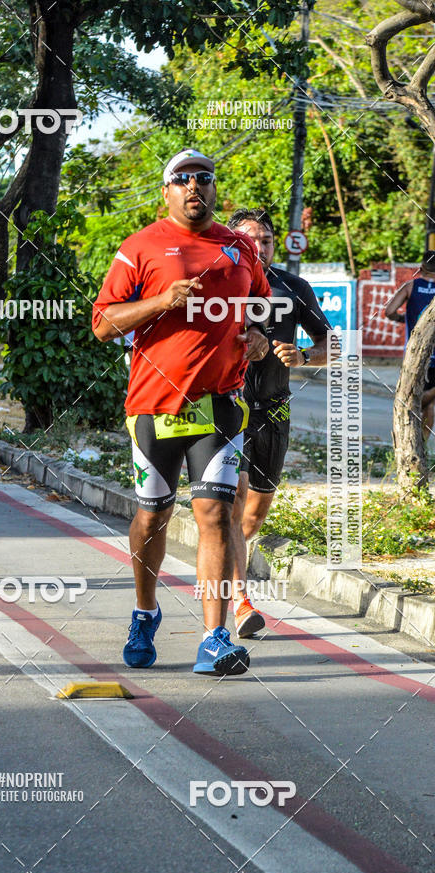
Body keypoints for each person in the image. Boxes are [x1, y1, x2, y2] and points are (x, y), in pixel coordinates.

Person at [93, 149, 270, 675]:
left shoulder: (240, 248)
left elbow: (260, 307)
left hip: (219, 405)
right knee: (153, 516)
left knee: (215, 513)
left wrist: (259, 338)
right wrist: (162, 301)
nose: (196, 187)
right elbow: (103, 324)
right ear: (166, 191)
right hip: (154, 406)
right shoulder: (140, 247)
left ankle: (214, 638)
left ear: (215, 190)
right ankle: (145, 611)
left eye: (205, 179)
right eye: (183, 180)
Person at [228, 208, 331, 637]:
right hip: (227, 406)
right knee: (232, 504)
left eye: (266, 240)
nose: (261, 246)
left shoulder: (293, 286)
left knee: (255, 512)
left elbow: (330, 342)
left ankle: (231, 561)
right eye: (251, 239)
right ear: (233, 243)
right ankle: (239, 600)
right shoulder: (216, 283)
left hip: (274, 407)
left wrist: (304, 356)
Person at [385, 251, 435, 440]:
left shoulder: (410, 286)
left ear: (421, 268)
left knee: (419, 397)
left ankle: (418, 445)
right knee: (428, 404)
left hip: (415, 354)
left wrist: (402, 319)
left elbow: (389, 311)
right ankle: (422, 443)